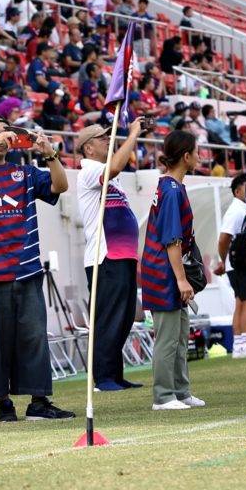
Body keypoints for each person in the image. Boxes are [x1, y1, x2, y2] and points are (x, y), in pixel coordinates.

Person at [0, 113, 75, 422]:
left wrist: (50, 155)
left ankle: (39, 402)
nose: (1, 138)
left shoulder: (26, 172)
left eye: (5, 132)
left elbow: (60, 185)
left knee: (34, 339)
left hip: (27, 269)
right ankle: (3, 404)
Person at [76, 120, 146, 391]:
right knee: (109, 317)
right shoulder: (90, 170)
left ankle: (114, 374)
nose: (109, 140)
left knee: (124, 316)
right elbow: (115, 166)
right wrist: (133, 134)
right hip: (105, 257)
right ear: (88, 148)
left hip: (121, 255)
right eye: (102, 138)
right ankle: (104, 377)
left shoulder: (105, 172)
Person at [141, 131, 205, 410]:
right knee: (167, 338)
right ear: (186, 156)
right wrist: (181, 279)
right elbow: (172, 240)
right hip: (163, 272)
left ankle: (181, 391)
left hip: (168, 270)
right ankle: (163, 395)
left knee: (180, 336)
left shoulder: (173, 187)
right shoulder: (170, 190)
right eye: (197, 152)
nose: (200, 156)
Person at [213, 173, 246, 358]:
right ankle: (245, 343)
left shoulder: (243, 208)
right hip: (238, 264)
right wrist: (223, 261)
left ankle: (239, 345)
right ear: (238, 191)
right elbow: (224, 238)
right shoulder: (236, 210)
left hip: (239, 263)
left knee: (240, 301)